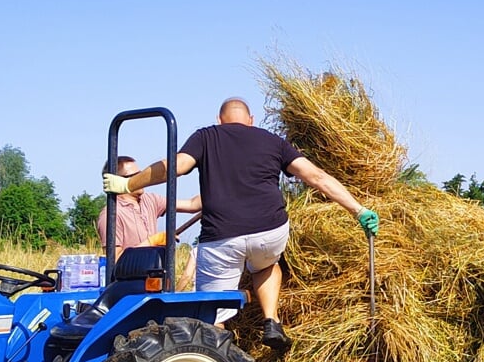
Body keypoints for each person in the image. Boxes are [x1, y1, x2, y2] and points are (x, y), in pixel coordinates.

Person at [103, 98, 378, 349]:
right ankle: (271, 320)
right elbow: (315, 176)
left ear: (219, 119)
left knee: (212, 311)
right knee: (267, 265)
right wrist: (359, 209)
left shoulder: (206, 136)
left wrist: (129, 183)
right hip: (270, 232)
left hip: (221, 239)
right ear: (251, 120)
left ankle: (215, 348)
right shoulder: (273, 140)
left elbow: (175, 166)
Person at [95, 156, 178, 252]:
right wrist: (152, 242)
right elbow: (115, 261)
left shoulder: (150, 200)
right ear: (118, 181)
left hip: (155, 267)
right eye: (136, 175)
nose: (141, 178)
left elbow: (191, 205)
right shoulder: (111, 215)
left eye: (141, 174)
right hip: (133, 267)